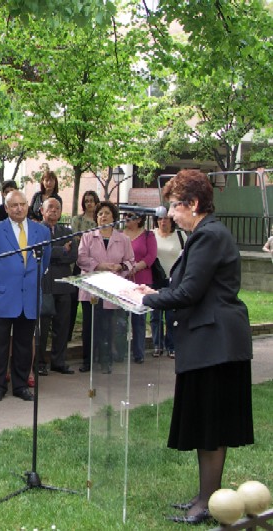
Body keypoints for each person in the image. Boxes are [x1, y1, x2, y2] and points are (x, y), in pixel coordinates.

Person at [126, 170, 253, 524]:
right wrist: (153, 293)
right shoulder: (203, 234)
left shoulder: (208, 235)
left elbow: (189, 293)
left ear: (193, 205)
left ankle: (207, 503)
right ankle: (205, 495)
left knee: (211, 425)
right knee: (205, 423)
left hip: (216, 343)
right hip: (208, 341)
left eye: (174, 206)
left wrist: (144, 298)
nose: (169, 214)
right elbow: (187, 288)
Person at [0, 190, 51, 402]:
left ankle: (20, 386)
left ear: (27, 205)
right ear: (6, 207)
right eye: (14, 205)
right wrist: (2, 286)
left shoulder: (42, 232)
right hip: (3, 296)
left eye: (22, 204)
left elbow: (44, 262)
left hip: (28, 296)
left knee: (23, 345)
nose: (19, 208)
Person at [76, 201, 134, 374]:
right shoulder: (88, 236)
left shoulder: (123, 239)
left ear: (114, 217)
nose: (103, 216)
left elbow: (131, 261)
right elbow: (81, 259)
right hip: (91, 289)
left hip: (111, 288)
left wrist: (121, 267)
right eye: (100, 214)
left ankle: (105, 360)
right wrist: (99, 265)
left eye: (107, 213)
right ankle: (87, 360)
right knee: (90, 326)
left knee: (107, 326)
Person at [37, 198, 77, 376]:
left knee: (62, 326)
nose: (54, 211)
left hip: (63, 283)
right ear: (42, 210)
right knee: (43, 327)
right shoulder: (37, 230)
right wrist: (61, 250)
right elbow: (40, 252)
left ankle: (58, 361)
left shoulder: (66, 231)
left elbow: (73, 255)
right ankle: (39, 362)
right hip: (44, 283)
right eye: (50, 207)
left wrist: (54, 251)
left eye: (57, 208)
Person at [122, 213, 157, 364]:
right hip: (123, 278)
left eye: (130, 216)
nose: (126, 219)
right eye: (125, 216)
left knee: (139, 319)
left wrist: (136, 267)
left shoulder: (148, 235)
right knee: (121, 319)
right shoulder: (119, 234)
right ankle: (120, 351)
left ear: (139, 219)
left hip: (141, 279)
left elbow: (151, 256)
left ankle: (139, 352)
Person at [151, 214, 186, 359]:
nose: (162, 221)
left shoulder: (180, 235)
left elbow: (186, 256)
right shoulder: (152, 235)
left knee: (171, 315)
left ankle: (171, 346)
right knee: (156, 315)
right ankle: (157, 345)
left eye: (165, 218)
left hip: (173, 280)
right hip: (156, 278)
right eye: (159, 219)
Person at [68, 190, 99, 342]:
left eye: (92, 200)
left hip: (97, 265)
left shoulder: (100, 220)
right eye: (86, 201)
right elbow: (76, 239)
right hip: (79, 263)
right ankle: (68, 333)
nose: (89, 203)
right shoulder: (77, 220)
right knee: (73, 299)